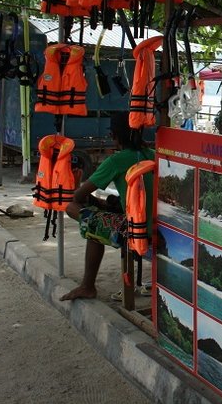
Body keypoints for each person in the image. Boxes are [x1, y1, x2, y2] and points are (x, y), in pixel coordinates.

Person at [60, 111, 155, 301]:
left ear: (114, 136)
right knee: (98, 217)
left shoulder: (115, 161)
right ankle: (89, 285)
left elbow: (78, 196)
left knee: (76, 211)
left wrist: (77, 182)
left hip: (137, 231)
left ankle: (87, 286)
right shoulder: (153, 155)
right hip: (156, 224)